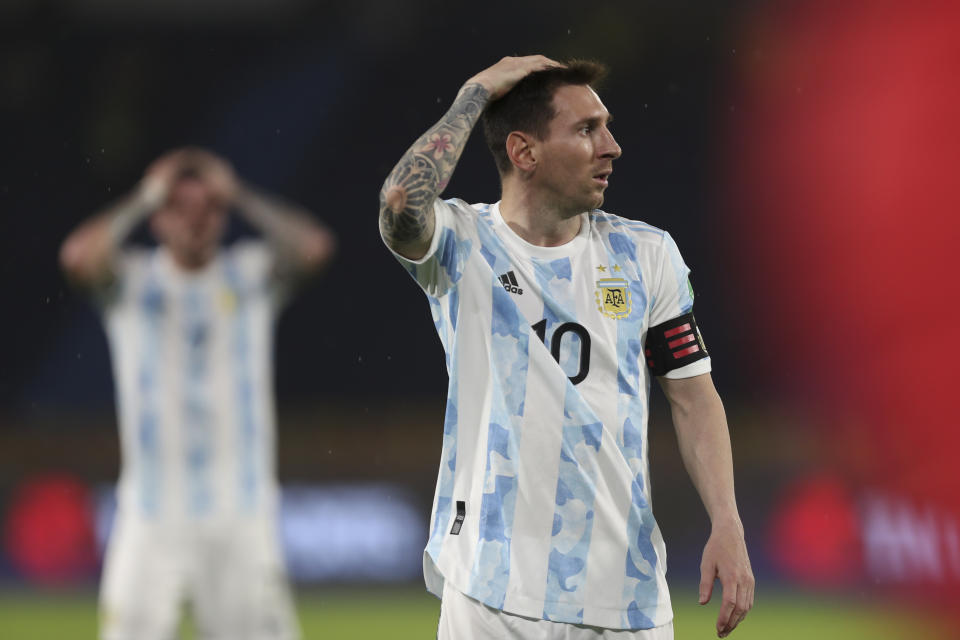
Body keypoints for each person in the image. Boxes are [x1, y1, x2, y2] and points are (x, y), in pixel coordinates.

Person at [378, 56, 753, 639]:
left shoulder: (645, 255)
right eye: (586, 130)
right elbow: (402, 200)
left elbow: (693, 397)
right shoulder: (460, 244)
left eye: (605, 126)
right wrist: (475, 92)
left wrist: (727, 521)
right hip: (489, 590)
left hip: (623, 596)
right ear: (524, 153)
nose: (612, 147)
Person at [60, 147, 335, 640]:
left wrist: (242, 194)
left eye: (209, 207)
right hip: (150, 516)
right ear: (158, 219)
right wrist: (144, 196)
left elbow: (314, 247)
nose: (195, 219)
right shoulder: (132, 281)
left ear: (224, 215)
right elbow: (77, 257)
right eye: (179, 207)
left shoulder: (250, 275)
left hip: (241, 515)